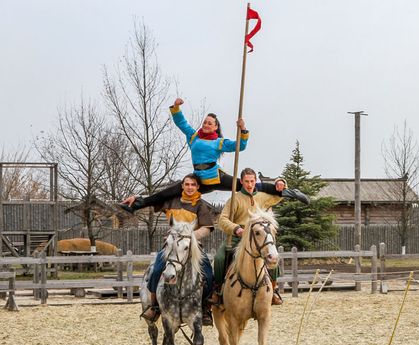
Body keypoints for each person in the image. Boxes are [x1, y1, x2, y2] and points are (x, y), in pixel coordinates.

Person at [119, 98, 309, 213]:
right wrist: (176, 107)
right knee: (167, 192)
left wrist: (243, 129)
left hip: (215, 177)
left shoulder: (219, 142)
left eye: (210, 123)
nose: (206, 124)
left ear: (216, 127)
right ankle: (135, 204)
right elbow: (181, 122)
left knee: (248, 185)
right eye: (205, 122)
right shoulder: (194, 137)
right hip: (198, 179)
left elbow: (240, 146)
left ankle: (289, 192)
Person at [136, 174, 216, 325]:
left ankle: (205, 308)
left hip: (192, 246)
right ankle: (154, 307)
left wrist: (190, 236)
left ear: (198, 187)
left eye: (193, 184)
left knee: (209, 274)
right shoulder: (172, 201)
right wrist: (138, 200)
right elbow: (153, 200)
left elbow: (206, 228)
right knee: (156, 270)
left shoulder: (200, 205)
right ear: (182, 186)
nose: (190, 187)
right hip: (171, 246)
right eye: (187, 184)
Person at [212, 167, 285, 306]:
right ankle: (218, 289)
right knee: (219, 258)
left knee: (272, 256)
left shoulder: (263, 197)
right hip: (237, 236)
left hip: (258, 237)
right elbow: (222, 219)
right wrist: (236, 228)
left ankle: (274, 289)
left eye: (252, 181)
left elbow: (279, 195)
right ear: (242, 181)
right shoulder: (235, 198)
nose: (250, 185)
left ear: (255, 181)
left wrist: (281, 182)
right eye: (246, 181)